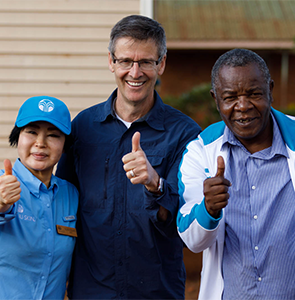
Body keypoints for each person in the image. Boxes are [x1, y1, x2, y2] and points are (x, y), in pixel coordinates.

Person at [177, 48, 295, 300]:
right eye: (230, 97)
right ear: (215, 98)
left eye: (254, 94)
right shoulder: (201, 152)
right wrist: (208, 209)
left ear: (270, 90)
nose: (243, 106)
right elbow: (193, 240)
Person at [55, 15, 201, 299]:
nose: (135, 72)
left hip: (157, 292)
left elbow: (187, 225)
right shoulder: (82, 128)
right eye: (125, 61)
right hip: (92, 290)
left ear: (161, 64)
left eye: (146, 61)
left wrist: (155, 183)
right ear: (111, 61)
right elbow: (62, 203)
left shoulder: (185, 134)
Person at [0, 96, 78, 300]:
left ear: (64, 144)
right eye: (31, 132)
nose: (40, 143)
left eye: (53, 135)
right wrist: (0, 199)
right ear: (17, 136)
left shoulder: (71, 195)